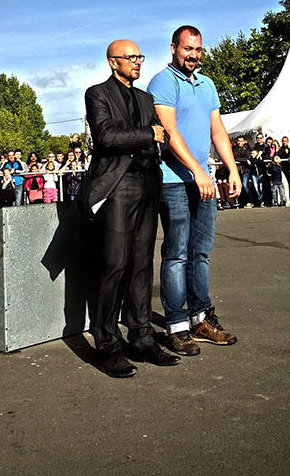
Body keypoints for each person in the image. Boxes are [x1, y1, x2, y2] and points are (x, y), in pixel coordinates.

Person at [84, 38, 178, 378]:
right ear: (113, 62)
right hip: (117, 186)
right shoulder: (97, 94)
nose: (138, 62)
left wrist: (152, 135)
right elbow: (106, 138)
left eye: (139, 56)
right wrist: (147, 133)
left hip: (148, 183)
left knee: (142, 264)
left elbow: (164, 137)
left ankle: (141, 336)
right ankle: (107, 344)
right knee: (115, 264)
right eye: (131, 57)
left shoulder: (146, 98)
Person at [147, 25, 241, 356]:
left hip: (203, 180)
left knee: (201, 252)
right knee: (176, 254)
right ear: (174, 48)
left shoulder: (207, 84)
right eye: (188, 49)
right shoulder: (162, 82)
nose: (193, 55)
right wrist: (197, 171)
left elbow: (217, 129)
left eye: (198, 50)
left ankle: (201, 318)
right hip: (173, 181)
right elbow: (169, 132)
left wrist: (231, 168)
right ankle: (176, 325)